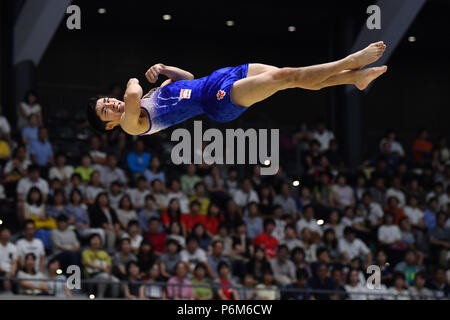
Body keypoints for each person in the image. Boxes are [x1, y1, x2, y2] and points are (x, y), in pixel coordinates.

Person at [87, 43, 387, 137]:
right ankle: (350, 61)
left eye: (107, 101)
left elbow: (188, 78)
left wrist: (164, 70)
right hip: (218, 103)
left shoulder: (153, 96)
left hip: (217, 78)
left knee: (293, 79)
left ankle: (353, 79)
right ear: (110, 125)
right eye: (106, 110)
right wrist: (134, 80)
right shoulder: (131, 124)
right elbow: (132, 94)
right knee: (287, 77)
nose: (112, 104)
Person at [81, 233, 120, 298]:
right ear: (90, 241)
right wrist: (102, 268)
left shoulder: (104, 253)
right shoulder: (86, 252)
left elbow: (109, 266)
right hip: (91, 276)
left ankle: (114, 298)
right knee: (104, 277)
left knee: (116, 281)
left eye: (98, 239)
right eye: (94, 239)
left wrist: (108, 271)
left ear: (100, 242)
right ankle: (100, 297)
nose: (96, 241)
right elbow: (89, 264)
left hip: (105, 274)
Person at [0, 226, 17, 293]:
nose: (6, 233)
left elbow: (14, 262)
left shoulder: (13, 247)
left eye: (7, 232)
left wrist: (12, 272)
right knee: (6, 277)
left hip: (10, 272)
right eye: (4, 232)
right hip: (1, 271)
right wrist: (4, 272)